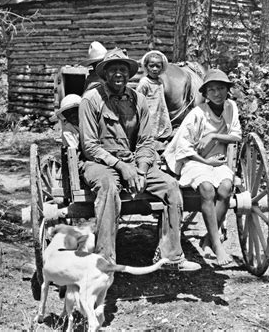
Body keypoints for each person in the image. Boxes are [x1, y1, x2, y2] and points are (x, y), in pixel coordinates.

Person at [78, 48, 201, 271]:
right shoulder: (91, 100)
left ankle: (171, 256)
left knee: (171, 186)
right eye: (113, 70)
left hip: (134, 162)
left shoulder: (138, 100)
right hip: (99, 163)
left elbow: (146, 141)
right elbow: (89, 146)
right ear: (104, 74)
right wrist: (122, 167)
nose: (118, 75)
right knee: (107, 187)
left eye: (123, 70)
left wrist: (142, 170)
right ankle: (105, 258)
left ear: (129, 74)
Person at [163, 69, 242, 266]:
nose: (217, 93)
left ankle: (208, 238)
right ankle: (217, 244)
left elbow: (236, 135)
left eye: (221, 88)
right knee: (207, 188)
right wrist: (206, 162)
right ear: (205, 94)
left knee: (226, 187)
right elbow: (183, 147)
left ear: (227, 91)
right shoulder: (197, 113)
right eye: (212, 90)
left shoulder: (231, 107)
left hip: (216, 160)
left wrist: (214, 136)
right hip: (194, 160)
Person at [136, 50, 173, 149]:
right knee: (150, 130)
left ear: (162, 68)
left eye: (158, 66)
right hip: (149, 113)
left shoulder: (160, 81)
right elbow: (138, 100)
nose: (155, 69)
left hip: (160, 111)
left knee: (161, 128)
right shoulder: (144, 82)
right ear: (146, 67)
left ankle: (161, 144)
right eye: (151, 66)